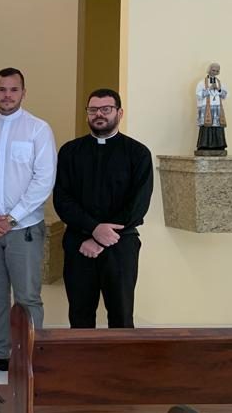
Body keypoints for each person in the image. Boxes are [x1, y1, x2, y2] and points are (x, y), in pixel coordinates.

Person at [0, 68, 56, 376]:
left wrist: (13, 216)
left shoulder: (38, 130)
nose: (7, 95)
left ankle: (30, 357)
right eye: (2, 89)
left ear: (23, 93)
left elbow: (44, 179)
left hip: (24, 229)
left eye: (13, 89)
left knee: (27, 296)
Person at [53, 88, 153, 329]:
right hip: (79, 245)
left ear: (119, 113)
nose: (99, 114)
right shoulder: (70, 151)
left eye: (106, 109)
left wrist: (100, 237)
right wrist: (93, 229)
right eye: (93, 110)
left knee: (121, 316)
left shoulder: (138, 153)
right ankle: (83, 356)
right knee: (80, 316)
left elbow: (138, 204)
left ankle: (120, 357)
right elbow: (62, 199)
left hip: (121, 245)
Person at [195, 62, 228, 154]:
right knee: (207, 126)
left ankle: (219, 145)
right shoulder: (202, 83)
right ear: (209, 70)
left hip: (217, 109)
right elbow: (198, 95)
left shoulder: (220, 83)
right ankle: (204, 145)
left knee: (217, 126)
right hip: (207, 108)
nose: (215, 72)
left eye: (217, 71)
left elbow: (225, 95)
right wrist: (209, 89)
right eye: (213, 70)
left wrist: (219, 89)